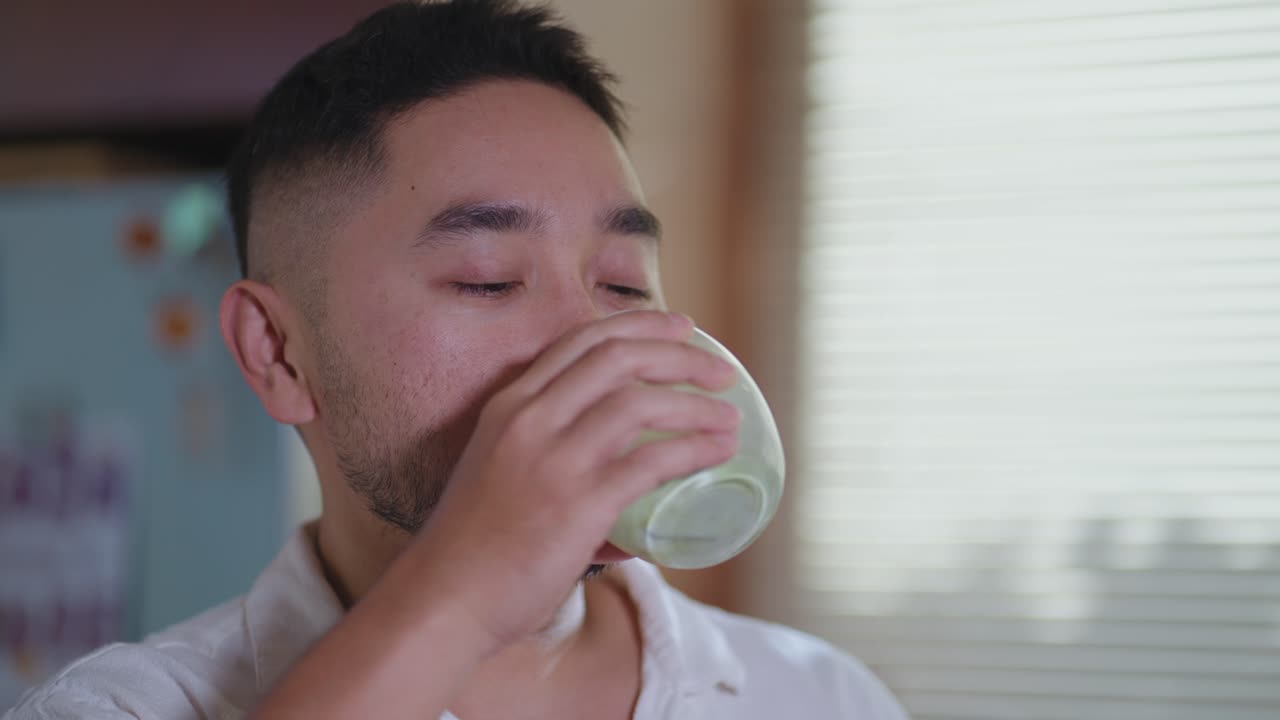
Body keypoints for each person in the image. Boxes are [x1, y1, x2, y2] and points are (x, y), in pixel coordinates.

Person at [6, 1, 907, 718]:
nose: (588, 340)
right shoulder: (124, 705)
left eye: (624, 283)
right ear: (276, 352)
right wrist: (469, 591)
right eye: (488, 281)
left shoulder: (821, 695)